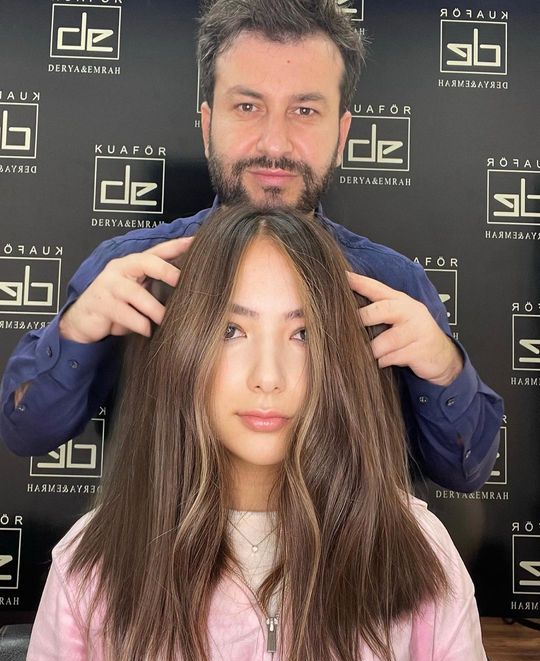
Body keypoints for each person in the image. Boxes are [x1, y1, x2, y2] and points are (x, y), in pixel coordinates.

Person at [0, 0, 503, 491]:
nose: (275, 144)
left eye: (304, 110)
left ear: (342, 133)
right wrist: (75, 333)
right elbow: (25, 432)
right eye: (247, 107)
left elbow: (464, 472)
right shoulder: (129, 270)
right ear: (207, 124)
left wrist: (444, 368)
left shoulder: (394, 285)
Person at [24, 206, 489, 661]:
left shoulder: (420, 551)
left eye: (302, 334)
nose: (268, 376)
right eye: (231, 330)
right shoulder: (92, 563)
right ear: (180, 348)